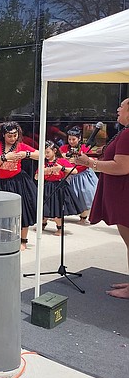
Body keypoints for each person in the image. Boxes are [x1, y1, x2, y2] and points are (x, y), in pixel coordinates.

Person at [75, 98, 129, 298]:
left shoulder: (127, 134)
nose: (117, 110)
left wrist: (91, 163)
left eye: (121, 107)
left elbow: (122, 166)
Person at [0, 122, 39, 250]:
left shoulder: (20, 146)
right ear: (3, 135)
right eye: (10, 136)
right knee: (0, 213)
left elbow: (39, 154)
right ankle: (4, 236)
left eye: (15, 135)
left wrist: (27, 154)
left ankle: (23, 240)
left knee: (22, 211)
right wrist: (4, 157)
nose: (13, 138)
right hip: (0, 182)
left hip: (18, 182)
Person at [37, 141, 85, 237]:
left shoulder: (61, 161)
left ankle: (59, 228)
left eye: (47, 152)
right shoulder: (43, 162)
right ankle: (42, 224)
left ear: (54, 151)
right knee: (44, 208)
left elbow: (74, 171)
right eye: (44, 152)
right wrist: (44, 171)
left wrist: (61, 168)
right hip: (46, 187)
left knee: (57, 209)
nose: (45, 155)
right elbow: (36, 177)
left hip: (59, 186)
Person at [60, 126, 99, 224]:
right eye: (69, 139)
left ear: (79, 138)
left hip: (83, 175)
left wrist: (81, 161)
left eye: (74, 139)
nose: (71, 141)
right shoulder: (63, 148)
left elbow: (93, 160)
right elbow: (57, 158)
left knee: (86, 194)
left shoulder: (84, 148)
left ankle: (83, 217)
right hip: (68, 175)